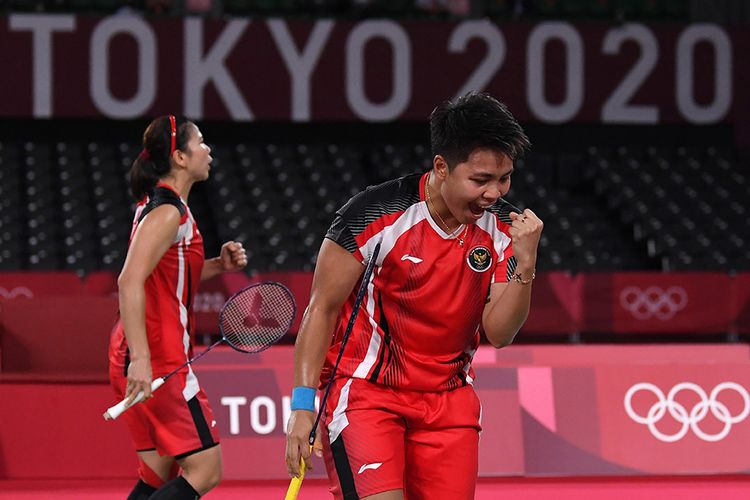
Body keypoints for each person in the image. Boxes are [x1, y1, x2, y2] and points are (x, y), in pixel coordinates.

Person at [285, 92, 542, 499]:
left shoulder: (503, 229)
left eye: (504, 178)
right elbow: (322, 309)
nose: (494, 193)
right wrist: (302, 406)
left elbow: (500, 332)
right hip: (368, 393)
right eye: (480, 180)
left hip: (449, 403)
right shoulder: (374, 214)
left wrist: (526, 265)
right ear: (441, 167)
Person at [108, 115, 247, 499]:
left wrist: (219, 265)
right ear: (180, 157)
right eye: (200, 142)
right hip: (157, 357)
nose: (208, 149)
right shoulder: (168, 212)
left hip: (140, 351)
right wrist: (141, 359)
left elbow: (166, 275)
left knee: (157, 473)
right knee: (205, 469)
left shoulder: (165, 206)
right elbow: (129, 280)